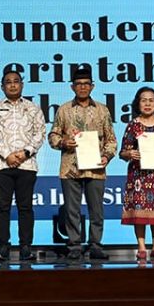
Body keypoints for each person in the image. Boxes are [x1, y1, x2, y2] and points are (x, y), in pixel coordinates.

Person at [48, 66, 117, 261]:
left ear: (92, 86)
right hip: (71, 167)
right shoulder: (64, 110)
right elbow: (53, 135)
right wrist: (63, 142)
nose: (83, 87)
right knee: (72, 209)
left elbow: (111, 140)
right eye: (79, 84)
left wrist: (107, 156)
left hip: (96, 167)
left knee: (97, 209)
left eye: (86, 84)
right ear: (72, 87)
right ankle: (74, 245)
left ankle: (95, 245)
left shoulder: (102, 110)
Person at [0, 70, 46, 262]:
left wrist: (25, 153)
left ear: (22, 85)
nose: (12, 85)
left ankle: (25, 247)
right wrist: (7, 155)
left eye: (16, 81)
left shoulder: (33, 108)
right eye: (8, 82)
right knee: (2, 208)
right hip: (1, 165)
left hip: (27, 165)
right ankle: (3, 247)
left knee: (25, 207)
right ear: (2, 87)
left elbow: (40, 133)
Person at [118, 87, 154, 260]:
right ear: (138, 103)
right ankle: (142, 248)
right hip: (138, 176)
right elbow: (123, 152)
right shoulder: (132, 126)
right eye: (143, 100)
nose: (147, 104)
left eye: (151, 100)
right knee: (140, 212)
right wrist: (130, 153)